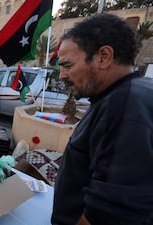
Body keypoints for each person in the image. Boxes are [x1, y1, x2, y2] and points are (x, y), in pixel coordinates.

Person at [51, 13, 153, 225]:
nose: (61, 75)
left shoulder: (124, 105)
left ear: (104, 57)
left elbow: (110, 213)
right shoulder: (125, 96)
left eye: (67, 65)